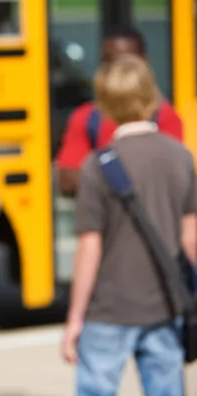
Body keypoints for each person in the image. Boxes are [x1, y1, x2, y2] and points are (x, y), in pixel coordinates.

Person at [62, 55, 196, 396]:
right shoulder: (181, 156)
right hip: (165, 304)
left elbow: (90, 248)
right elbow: (191, 238)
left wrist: (75, 318)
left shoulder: (97, 166)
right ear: (153, 98)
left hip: (108, 309)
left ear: (103, 106)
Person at [55, 26, 183, 196]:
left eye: (128, 64)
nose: (120, 71)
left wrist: (102, 174)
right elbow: (67, 181)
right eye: (112, 63)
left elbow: (177, 181)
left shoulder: (165, 116)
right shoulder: (86, 118)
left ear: (145, 62)